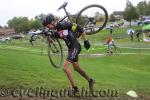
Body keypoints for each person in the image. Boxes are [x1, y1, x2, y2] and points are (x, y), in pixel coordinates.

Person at [42, 14, 95, 93]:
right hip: (71, 48)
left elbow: (80, 28)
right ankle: (90, 80)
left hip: (75, 47)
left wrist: (86, 41)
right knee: (76, 68)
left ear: (53, 21)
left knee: (65, 67)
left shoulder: (64, 24)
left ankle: (75, 88)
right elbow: (55, 35)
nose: (48, 27)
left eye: (48, 25)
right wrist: (49, 37)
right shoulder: (56, 30)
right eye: (47, 26)